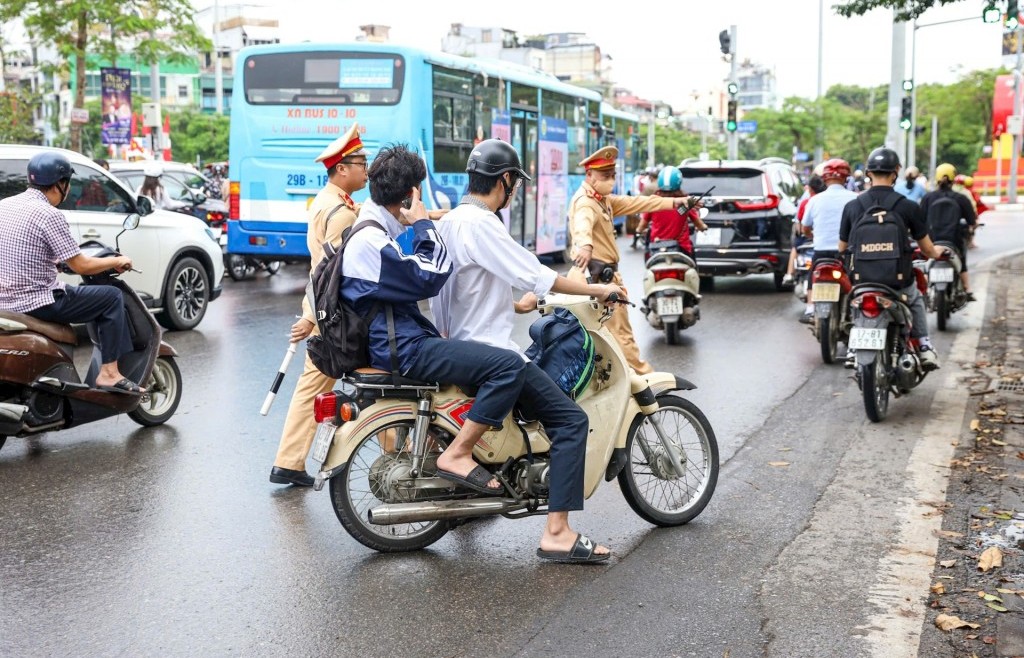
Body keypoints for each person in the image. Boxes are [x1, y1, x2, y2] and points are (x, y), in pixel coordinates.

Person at [429, 138, 624, 562]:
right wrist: (597, 288)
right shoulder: (483, 224)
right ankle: (557, 533)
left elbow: (473, 286)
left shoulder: (452, 221)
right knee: (571, 421)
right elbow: (540, 275)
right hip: (489, 352)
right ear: (504, 182)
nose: (514, 191)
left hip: (458, 344)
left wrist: (518, 303)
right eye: (514, 183)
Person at [341, 144, 529, 499]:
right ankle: (457, 456)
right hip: (402, 349)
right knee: (506, 366)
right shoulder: (372, 241)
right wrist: (425, 224)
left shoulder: (368, 229)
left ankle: (456, 475)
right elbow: (433, 273)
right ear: (412, 194)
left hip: (392, 342)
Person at [269, 124, 370, 487]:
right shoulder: (339, 212)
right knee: (380, 382)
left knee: (315, 385)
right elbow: (330, 271)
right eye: (361, 162)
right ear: (342, 169)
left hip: (327, 312)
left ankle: (289, 461)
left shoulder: (330, 202)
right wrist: (312, 318)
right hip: (337, 316)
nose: (367, 168)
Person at [0, 151, 144, 393]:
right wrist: (116, 260)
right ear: (61, 184)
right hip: (38, 301)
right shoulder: (49, 214)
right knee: (110, 297)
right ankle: (109, 373)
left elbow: (22, 251)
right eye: (67, 183)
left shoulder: (4, 206)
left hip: (5, 301)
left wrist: (56, 264)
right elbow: (82, 266)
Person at [567, 145, 699, 375]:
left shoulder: (603, 200)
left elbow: (641, 203)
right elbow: (582, 226)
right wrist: (585, 245)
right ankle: (646, 384)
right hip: (597, 278)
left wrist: (676, 202)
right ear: (589, 175)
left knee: (597, 338)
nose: (610, 180)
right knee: (622, 336)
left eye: (612, 175)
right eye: (604, 176)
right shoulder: (586, 203)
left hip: (597, 277)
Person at [837, 147, 944, 370]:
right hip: (898, 281)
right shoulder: (908, 207)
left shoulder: (853, 206)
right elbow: (927, 249)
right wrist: (937, 253)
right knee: (915, 298)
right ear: (895, 172)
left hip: (863, 279)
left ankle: (852, 347)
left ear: (868, 172)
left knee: (854, 299)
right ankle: (924, 346)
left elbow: (842, 247)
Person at [798, 159, 858, 323]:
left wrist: (812, 236)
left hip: (821, 252)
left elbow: (805, 228)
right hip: (846, 252)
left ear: (824, 178)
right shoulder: (855, 198)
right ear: (846, 178)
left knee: (814, 274)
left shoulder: (814, 200)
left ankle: (810, 308)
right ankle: (855, 308)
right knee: (854, 278)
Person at [921, 163, 977, 303]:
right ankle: (967, 289)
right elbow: (971, 220)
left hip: (932, 241)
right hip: (954, 240)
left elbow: (919, 220)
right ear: (953, 178)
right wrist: (971, 227)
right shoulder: (961, 198)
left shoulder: (928, 198)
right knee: (962, 262)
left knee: (926, 262)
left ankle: (924, 290)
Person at [635, 165, 708, 259]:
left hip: (656, 249)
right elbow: (698, 222)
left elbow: (642, 225)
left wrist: (639, 231)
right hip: (681, 249)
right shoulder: (685, 202)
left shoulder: (654, 201)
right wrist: (703, 227)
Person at [782, 173, 826, 287]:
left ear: (810, 189)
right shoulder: (827, 201)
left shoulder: (807, 202)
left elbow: (801, 227)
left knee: (795, 247)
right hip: (825, 240)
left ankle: (789, 274)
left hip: (808, 237)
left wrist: (809, 234)